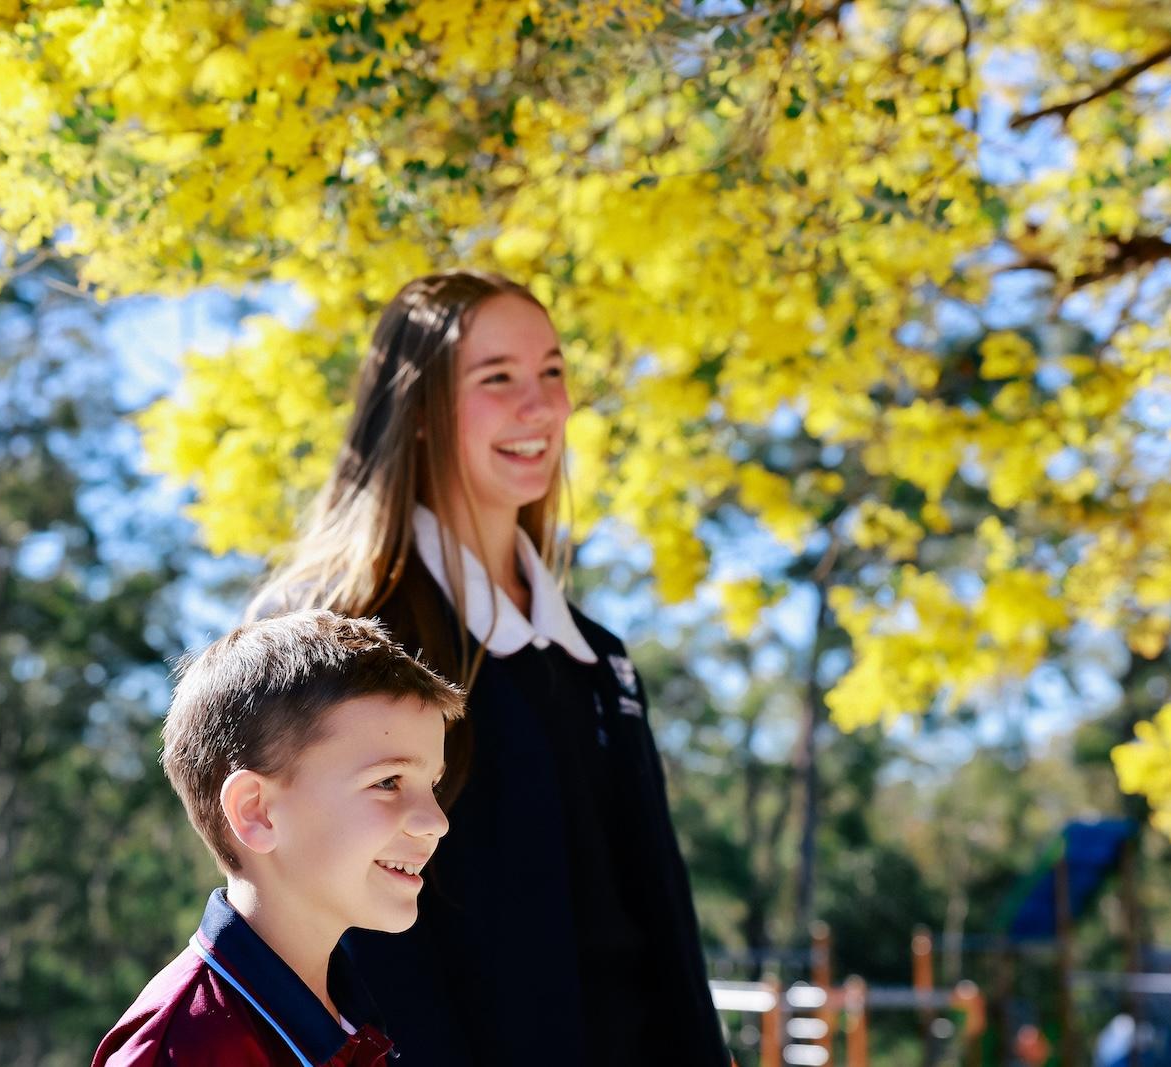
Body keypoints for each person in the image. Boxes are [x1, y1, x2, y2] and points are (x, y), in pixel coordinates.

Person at [252, 271, 732, 1065]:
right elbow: (347, 939)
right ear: (416, 412)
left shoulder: (600, 661)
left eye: (552, 371)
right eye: (497, 378)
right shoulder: (340, 635)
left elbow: (664, 938)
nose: (539, 405)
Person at [92, 610, 464, 1067]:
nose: (436, 822)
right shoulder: (181, 1050)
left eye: (434, 786)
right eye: (388, 782)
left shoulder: (355, 1023)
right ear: (257, 811)